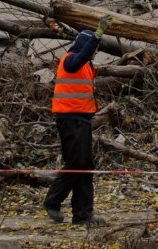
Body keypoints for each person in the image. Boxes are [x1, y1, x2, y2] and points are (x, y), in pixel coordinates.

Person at [43, 18, 110, 225]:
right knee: (77, 163)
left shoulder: (84, 64)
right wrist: (97, 34)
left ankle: (83, 214)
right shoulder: (71, 60)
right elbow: (83, 55)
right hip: (70, 119)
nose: (96, 51)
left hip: (81, 119)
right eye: (95, 47)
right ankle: (52, 202)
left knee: (84, 165)